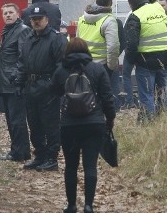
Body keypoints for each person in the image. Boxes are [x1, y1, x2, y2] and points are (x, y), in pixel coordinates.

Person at [51, 37, 116, 213]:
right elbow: (108, 98)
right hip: (94, 124)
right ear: (86, 50)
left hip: (69, 125)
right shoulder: (97, 69)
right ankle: (88, 205)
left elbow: (54, 91)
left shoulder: (61, 70)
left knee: (71, 166)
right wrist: (110, 119)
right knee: (90, 165)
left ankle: (71, 205)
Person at [18, 5, 67, 172]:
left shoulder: (56, 39)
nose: (36, 22)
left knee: (50, 125)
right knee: (34, 124)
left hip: (48, 87)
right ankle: (39, 155)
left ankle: (52, 158)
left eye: (39, 19)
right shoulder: (29, 38)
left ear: (47, 20)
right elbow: (23, 62)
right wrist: (19, 81)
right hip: (30, 87)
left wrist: (53, 85)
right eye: (33, 19)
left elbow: (62, 65)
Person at [125, 0, 167, 120]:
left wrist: (131, 59)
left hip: (146, 61)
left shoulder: (136, 16)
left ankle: (149, 124)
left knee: (147, 95)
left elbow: (132, 44)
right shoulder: (158, 8)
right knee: (163, 92)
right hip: (164, 58)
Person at [0, 3, 32, 162]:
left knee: (17, 120)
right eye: (5, 13)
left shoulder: (22, 31)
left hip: (14, 83)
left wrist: (16, 77)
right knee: (11, 119)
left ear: (18, 14)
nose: (8, 15)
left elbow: (24, 57)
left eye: (11, 12)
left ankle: (19, 152)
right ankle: (18, 151)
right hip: (5, 81)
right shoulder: (8, 31)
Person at [77, 0, 121, 109]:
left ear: (96, 0)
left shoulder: (82, 19)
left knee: (87, 97)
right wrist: (111, 67)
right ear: (110, 3)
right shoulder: (109, 20)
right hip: (102, 66)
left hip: (84, 65)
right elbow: (113, 47)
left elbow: (77, 42)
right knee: (106, 98)